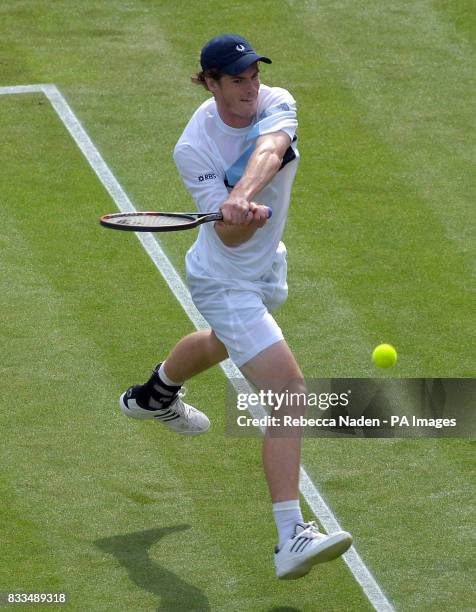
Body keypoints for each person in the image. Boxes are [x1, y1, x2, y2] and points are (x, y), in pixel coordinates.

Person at [120, 34, 352, 579]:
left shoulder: (276, 101)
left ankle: (155, 394)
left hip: (267, 267)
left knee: (226, 343)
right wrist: (231, 217)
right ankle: (290, 535)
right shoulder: (193, 147)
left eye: (254, 76)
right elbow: (224, 241)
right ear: (209, 82)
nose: (251, 87)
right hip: (224, 279)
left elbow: (271, 149)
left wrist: (242, 193)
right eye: (237, 79)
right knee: (288, 392)